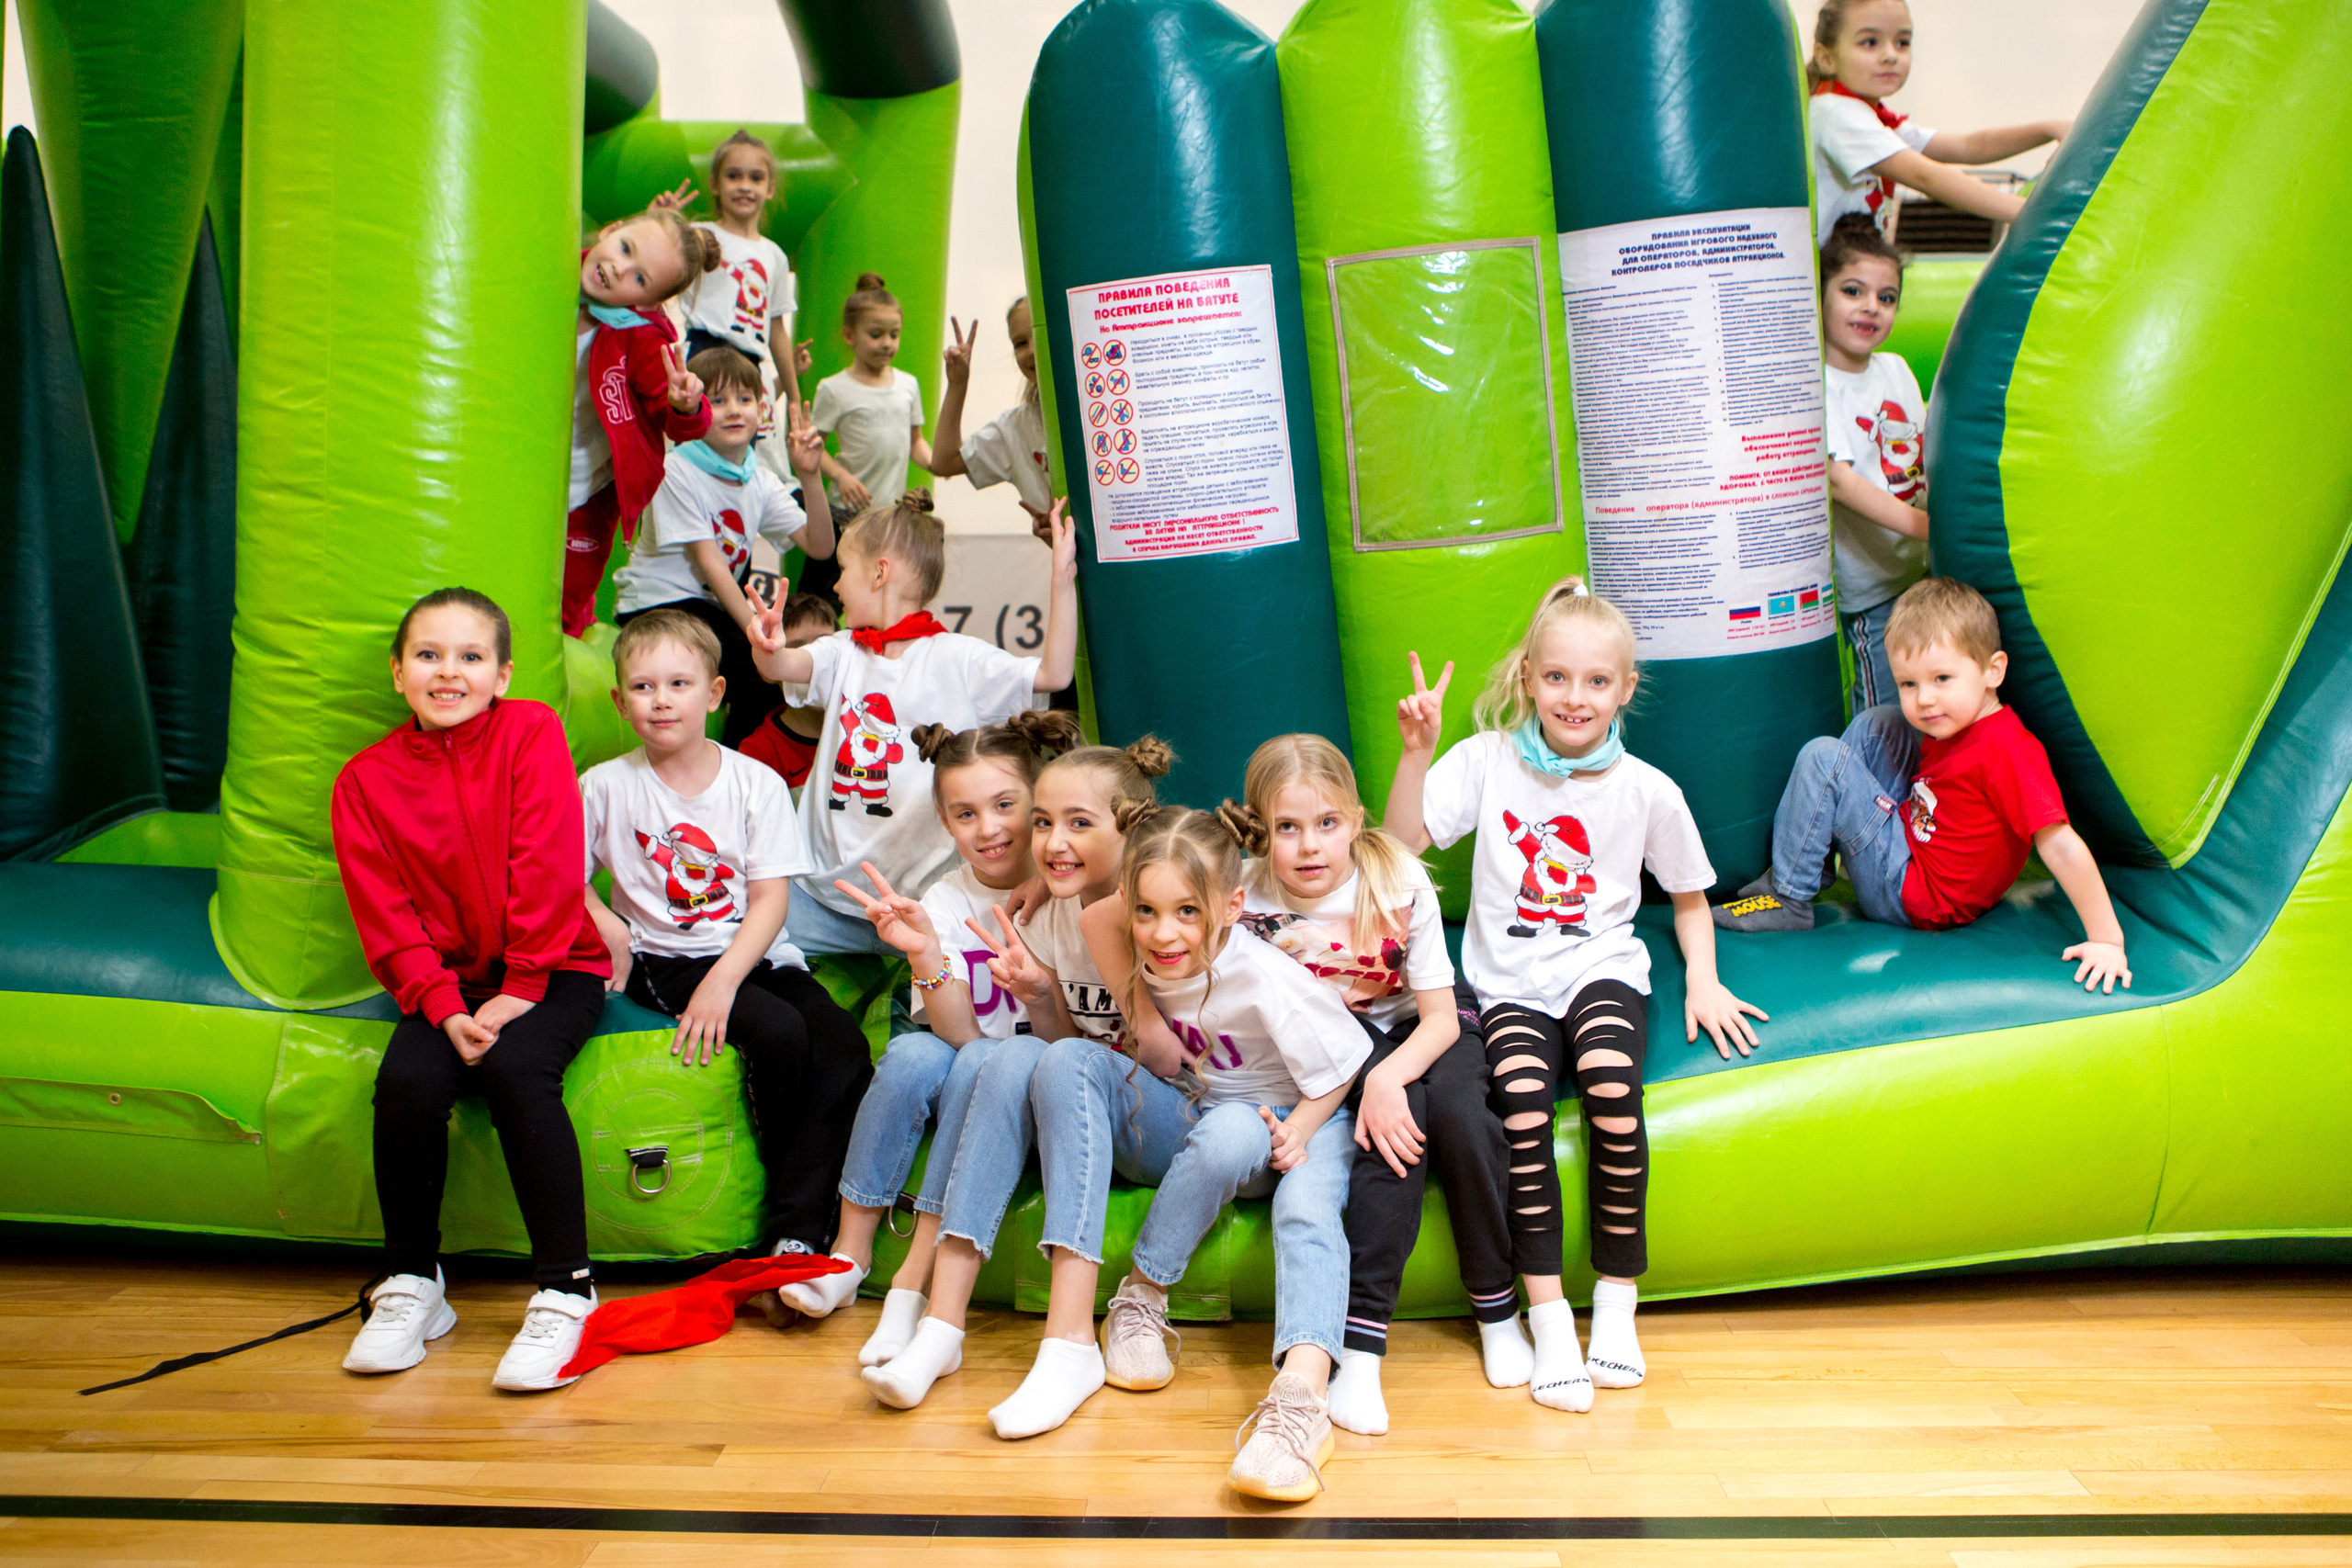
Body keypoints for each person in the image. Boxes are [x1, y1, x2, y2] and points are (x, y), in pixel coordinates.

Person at [1385, 578, 1769, 1414]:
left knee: (1608, 1086)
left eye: (1597, 681)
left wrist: (1703, 981)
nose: (1575, 696)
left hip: (1601, 968)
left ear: (1626, 689)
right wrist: (1418, 752)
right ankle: (1551, 1312)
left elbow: (1692, 899)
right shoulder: (1486, 761)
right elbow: (1400, 845)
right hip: (1509, 984)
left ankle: (1618, 1305)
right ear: (1528, 676)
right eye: (1557, 677)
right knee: (1520, 1100)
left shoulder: (1647, 787)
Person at [332, 589, 612, 1392]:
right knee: (407, 1082)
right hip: (449, 982)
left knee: (519, 1070)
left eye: (469, 656)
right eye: (427, 655)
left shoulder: (531, 732)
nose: (447, 671)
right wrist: (442, 1003)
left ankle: (567, 1288)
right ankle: (414, 1283)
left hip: (557, 965)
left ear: (502, 674)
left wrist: (523, 984)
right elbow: (382, 911)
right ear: (397, 672)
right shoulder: (364, 782)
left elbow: (551, 861)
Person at [853, 738, 1171, 1419]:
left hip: (1184, 1116)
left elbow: (1170, 1060)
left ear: (1132, 826)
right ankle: (942, 1326)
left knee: (1050, 1058)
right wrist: (1040, 997)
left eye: (1079, 823)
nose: (1053, 841)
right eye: (1047, 822)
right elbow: (1063, 1051)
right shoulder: (1051, 912)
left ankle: (1069, 1341)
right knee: (1011, 1054)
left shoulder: (1157, 906)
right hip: (1103, 1102)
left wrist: (1109, 925)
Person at [1062, 806, 1371, 1503]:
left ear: (1232, 906)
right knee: (1229, 1128)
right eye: (1145, 908)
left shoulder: (1263, 977)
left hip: (1311, 1113)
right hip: (1220, 1118)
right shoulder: (1149, 943)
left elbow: (1345, 1063)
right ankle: (1139, 1300)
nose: (1163, 932)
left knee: (1306, 1209)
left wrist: (1301, 1129)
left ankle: (1301, 1401)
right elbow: (1100, 914)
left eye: (1186, 912)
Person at [578, 609, 876, 1303]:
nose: (660, 699)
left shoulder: (753, 782)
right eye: (643, 687)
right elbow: (559, 875)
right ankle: (791, 1220)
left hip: (755, 952)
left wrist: (724, 981)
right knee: (774, 1034)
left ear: (712, 694)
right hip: (665, 956)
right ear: (620, 702)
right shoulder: (604, 784)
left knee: (841, 1045)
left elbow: (770, 901)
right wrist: (605, 921)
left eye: (678, 683)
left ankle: (800, 1232)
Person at [1224, 734, 1515, 1438]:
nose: (1309, 846)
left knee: (1459, 1114)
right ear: (1263, 831)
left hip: (1424, 1017)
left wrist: (1387, 1071)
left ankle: (1498, 1310)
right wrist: (1373, 1079)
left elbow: (1441, 1018)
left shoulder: (1397, 879)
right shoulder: (1244, 893)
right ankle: (1361, 1345)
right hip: (1336, 1045)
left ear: (1355, 821)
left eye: (1326, 824)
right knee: (1392, 1130)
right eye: (1288, 827)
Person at [771, 711, 1083, 1344]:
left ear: (1038, 802)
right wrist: (925, 956)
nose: (989, 828)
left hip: (1035, 1075)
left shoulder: (1069, 890)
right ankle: (850, 1252)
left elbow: (1065, 1046)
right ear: (944, 823)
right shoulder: (944, 897)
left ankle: (920, 1282)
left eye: (1005, 805)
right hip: (968, 1057)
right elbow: (960, 1036)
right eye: (965, 814)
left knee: (976, 1062)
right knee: (912, 1058)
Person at [1712, 581, 2136, 992]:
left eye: (1941, 679)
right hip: (1915, 840)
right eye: (1908, 684)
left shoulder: (2009, 753)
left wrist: (2106, 940)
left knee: (1824, 758)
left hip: (1917, 897)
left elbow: (2059, 843)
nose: (1924, 699)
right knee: (1880, 723)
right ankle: (1813, 866)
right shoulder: (1963, 724)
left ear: (1994, 670)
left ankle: (1789, 896)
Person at [744, 492, 1079, 963]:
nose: (836, 586)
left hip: (920, 907)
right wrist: (766, 644)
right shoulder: (841, 651)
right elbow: (781, 666)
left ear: (879, 573)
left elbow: (1053, 676)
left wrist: (1062, 577)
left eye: (843, 569)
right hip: (819, 896)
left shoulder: (959, 659)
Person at [612, 349, 833, 748]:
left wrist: (810, 476)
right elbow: (709, 561)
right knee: (759, 674)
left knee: (770, 675)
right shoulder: (677, 469)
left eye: (744, 399)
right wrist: (755, 629)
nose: (733, 411)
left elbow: (819, 546)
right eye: (717, 401)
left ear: (762, 410)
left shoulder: (759, 478)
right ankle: (742, 769)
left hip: (706, 607)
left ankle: (754, 771)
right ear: (695, 409)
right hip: (659, 602)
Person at [567, 205, 723, 637]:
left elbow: (677, 419)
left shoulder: (642, 336)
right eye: (624, 247)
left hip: (582, 493)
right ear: (611, 226)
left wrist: (687, 404)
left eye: (639, 278)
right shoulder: (554, 267)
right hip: (519, 468)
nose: (617, 269)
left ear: (648, 301)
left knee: (566, 595)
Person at [1808, 0, 2068, 247]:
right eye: (1869, 42)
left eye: (1902, 42)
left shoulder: (1873, 118)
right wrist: (2032, 213)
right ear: (1826, 58)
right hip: (1828, 278)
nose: (1890, 55)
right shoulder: (1837, 113)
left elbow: (1969, 146)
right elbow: (1926, 176)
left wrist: (2048, 128)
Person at [1819, 215, 1928, 715]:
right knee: (1884, 713)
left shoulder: (1896, 369)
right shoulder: (1818, 381)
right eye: (1853, 291)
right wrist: (1927, 527)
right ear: (1819, 295)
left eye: (1886, 298)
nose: (1871, 308)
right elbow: (1838, 481)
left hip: (1925, 574)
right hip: (1873, 590)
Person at [667, 132, 803, 417]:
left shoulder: (774, 255)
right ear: (715, 184)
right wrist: (666, 223)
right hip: (705, 354)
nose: (744, 186)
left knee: (739, 453)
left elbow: (776, 330)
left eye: (756, 178)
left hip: (749, 363)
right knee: (697, 446)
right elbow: (658, 271)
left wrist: (794, 397)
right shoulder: (701, 235)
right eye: (733, 176)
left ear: (770, 188)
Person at [811, 274, 929, 524]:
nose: (887, 344)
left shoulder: (908, 385)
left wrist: (936, 463)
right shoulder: (833, 389)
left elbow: (915, 442)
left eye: (894, 335)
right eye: (876, 335)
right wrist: (841, 476)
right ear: (849, 335)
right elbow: (813, 448)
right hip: (846, 512)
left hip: (891, 513)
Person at [931, 299, 1054, 528]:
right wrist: (958, 383)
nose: (1031, 351)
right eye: (1020, 343)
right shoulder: (1016, 429)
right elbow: (943, 462)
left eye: (1040, 334)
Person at [737, 593, 841, 792]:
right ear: (768, 670)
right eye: (797, 648)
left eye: (824, 646)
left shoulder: (864, 732)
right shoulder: (757, 753)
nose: (813, 663)